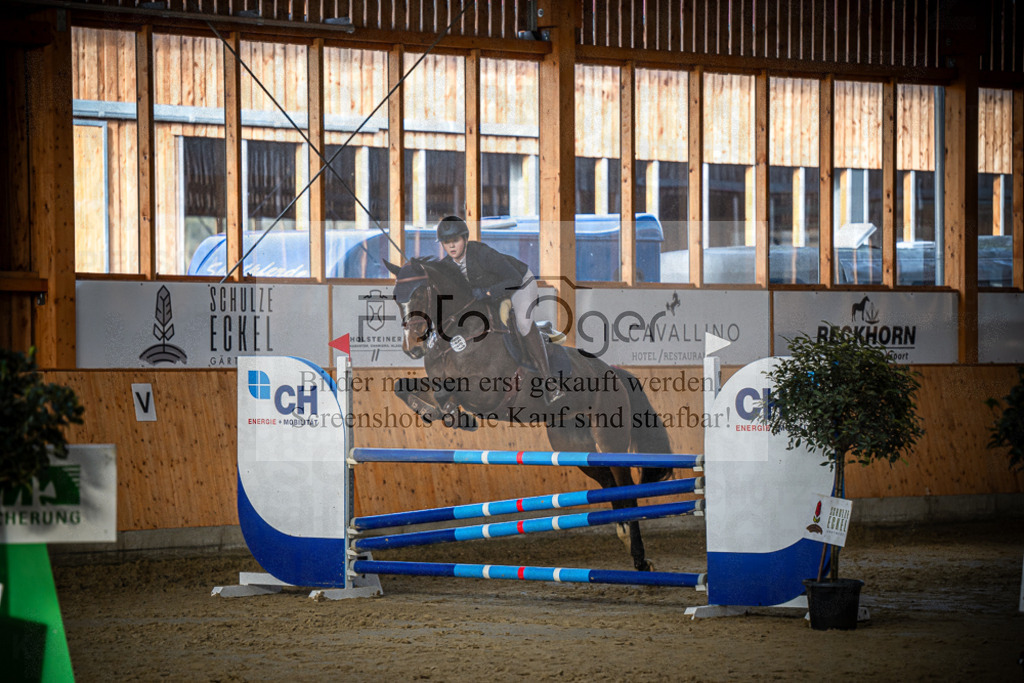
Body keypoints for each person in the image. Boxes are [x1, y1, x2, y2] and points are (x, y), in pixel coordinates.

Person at [435, 215, 563, 404]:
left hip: (520, 283)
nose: (451, 246)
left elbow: (513, 280)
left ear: (465, 238)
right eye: (447, 243)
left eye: (455, 240)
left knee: (523, 322)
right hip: (496, 293)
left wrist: (487, 293)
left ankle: (549, 381)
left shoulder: (481, 254)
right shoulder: (447, 266)